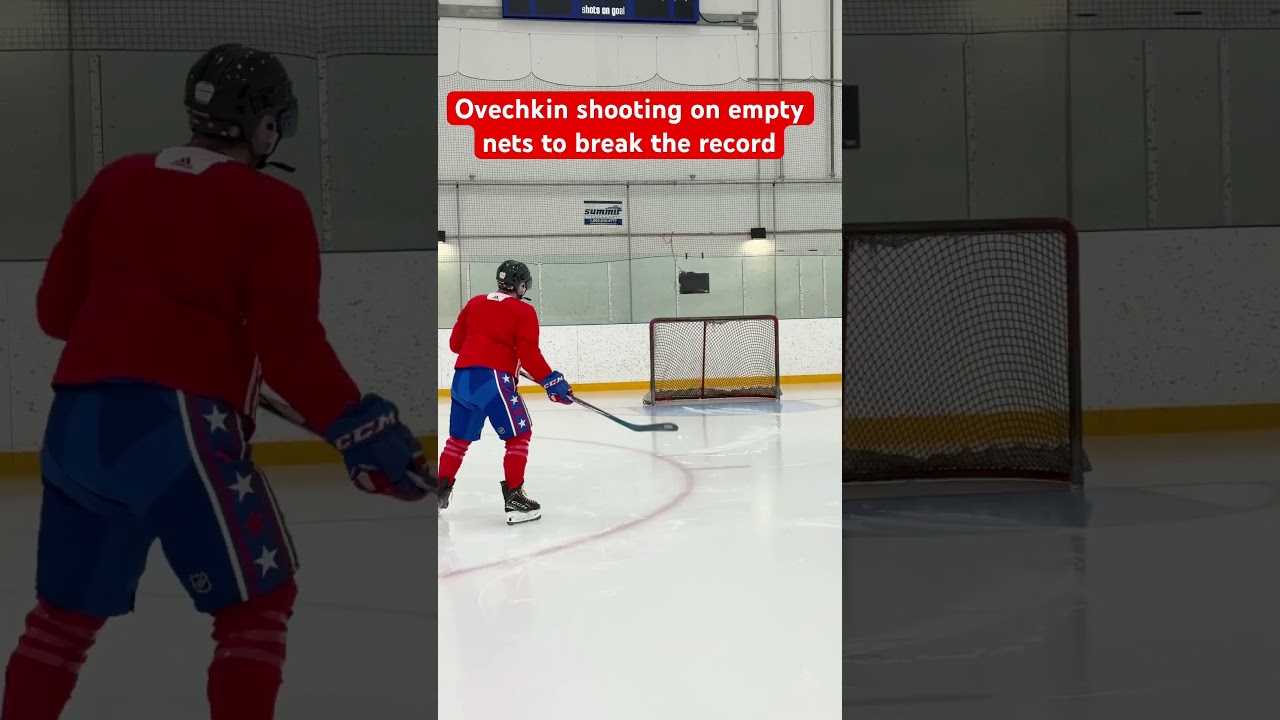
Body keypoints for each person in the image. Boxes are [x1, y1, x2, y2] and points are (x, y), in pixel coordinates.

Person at [0, 44, 430, 720]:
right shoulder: (272, 205)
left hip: (76, 424)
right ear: (263, 124)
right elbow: (288, 345)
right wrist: (361, 427)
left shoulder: (118, 179)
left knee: (63, 616)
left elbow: (56, 315)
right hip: (175, 426)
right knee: (256, 604)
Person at [439, 260, 574, 525]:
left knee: (457, 441)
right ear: (522, 285)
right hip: (493, 381)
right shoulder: (523, 311)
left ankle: (438, 492)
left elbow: (456, 345)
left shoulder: (475, 302)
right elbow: (529, 353)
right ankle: (514, 498)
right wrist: (551, 380)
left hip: (462, 380)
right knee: (519, 436)